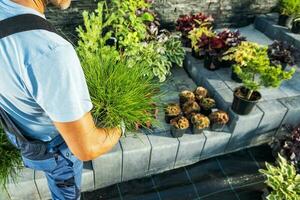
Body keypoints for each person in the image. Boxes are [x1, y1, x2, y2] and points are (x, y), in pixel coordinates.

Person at [0, 0, 122, 199]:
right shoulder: (50, 51)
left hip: (20, 135)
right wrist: (123, 125)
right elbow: (88, 148)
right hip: (56, 152)